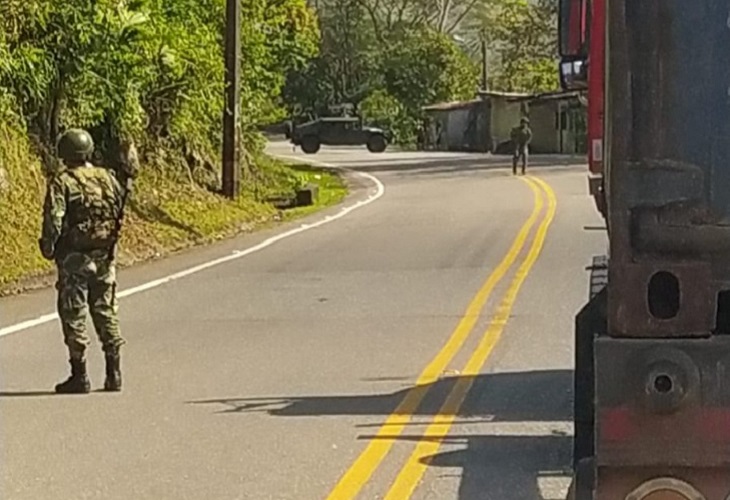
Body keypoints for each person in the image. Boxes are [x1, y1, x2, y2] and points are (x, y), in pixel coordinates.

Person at [39, 128, 128, 394]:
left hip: (74, 258)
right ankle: (114, 373)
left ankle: (80, 375)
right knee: (105, 310)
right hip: (104, 255)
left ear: (65, 153)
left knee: (74, 312)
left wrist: (48, 246)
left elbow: (54, 218)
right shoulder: (109, 178)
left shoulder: (63, 181)